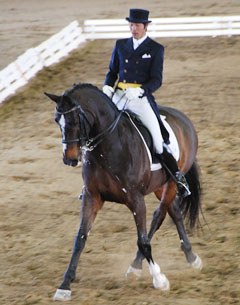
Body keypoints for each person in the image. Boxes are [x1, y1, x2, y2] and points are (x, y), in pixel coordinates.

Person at [102, 8, 190, 197]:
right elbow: (112, 72)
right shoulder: (120, 45)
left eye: (137, 25)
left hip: (140, 100)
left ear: (145, 27)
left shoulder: (155, 49)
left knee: (158, 140)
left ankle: (177, 177)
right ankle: (91, 181)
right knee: (98, 130)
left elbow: (156, 79)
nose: (133, 29)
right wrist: (108, 86)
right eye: (131, 25)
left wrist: (141, 90)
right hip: (119, 97)